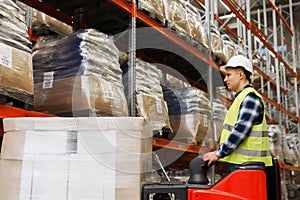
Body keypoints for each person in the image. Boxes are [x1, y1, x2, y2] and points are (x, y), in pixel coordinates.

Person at [203, 55, 273, 171]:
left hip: (248, 165)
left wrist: (218, 153)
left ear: (241, 75)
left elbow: (240, 130)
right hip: (243, 164)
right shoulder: (241, 98)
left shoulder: (250, 98)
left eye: (228, 75)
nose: (225, 80)